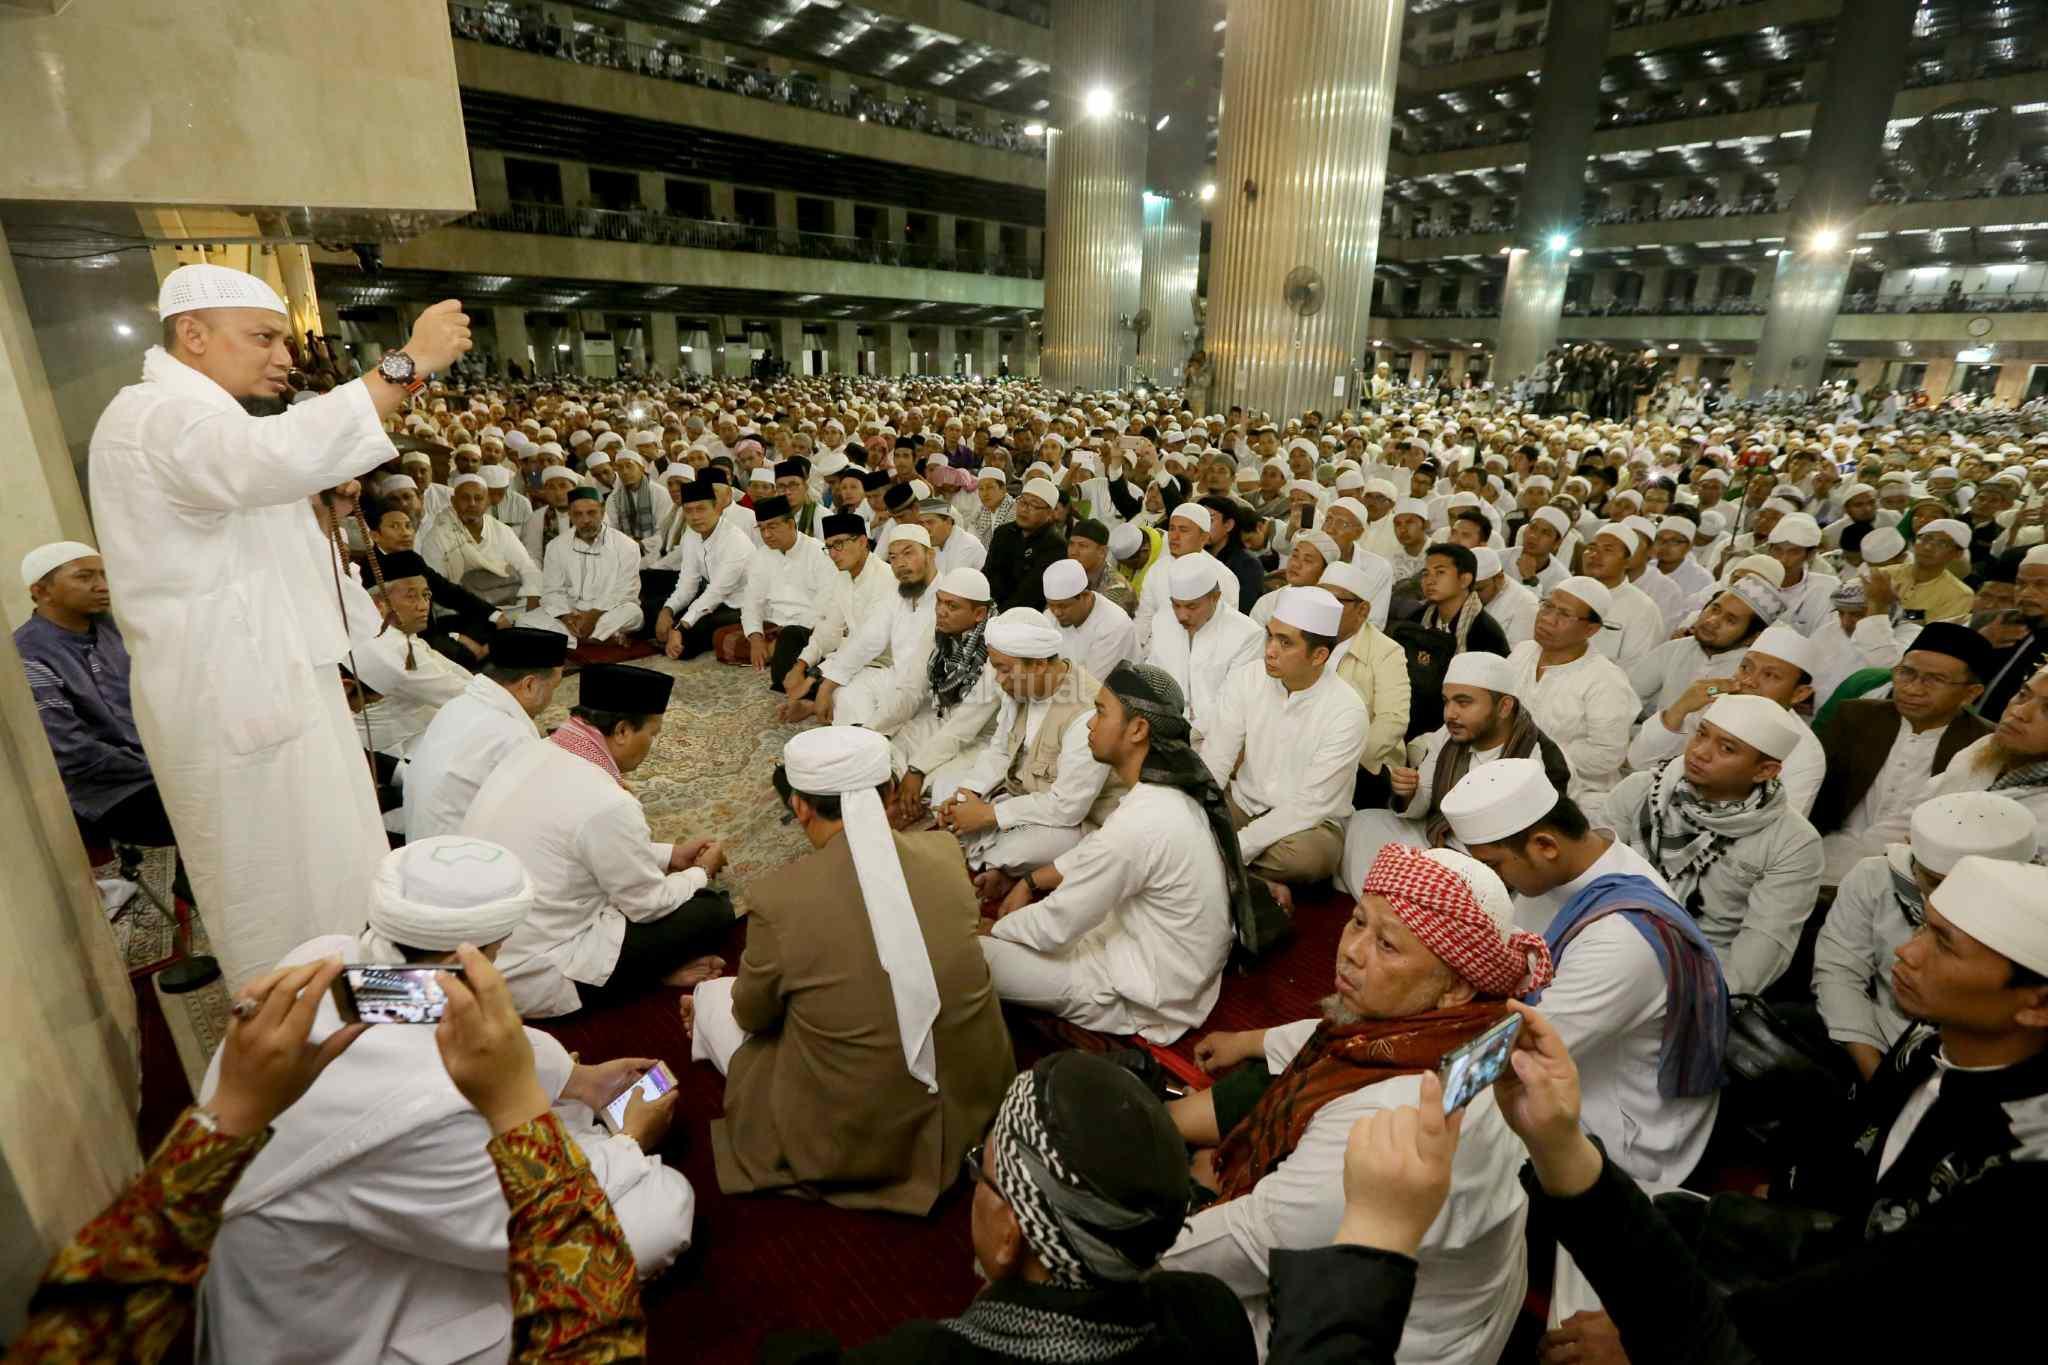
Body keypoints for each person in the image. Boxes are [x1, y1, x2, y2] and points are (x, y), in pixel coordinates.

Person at [86, 264, 468, 989]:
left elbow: (250, 522)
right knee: (280, 896)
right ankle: (303, 1042)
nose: (283, 357)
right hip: (236, 704)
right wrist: (407, 364)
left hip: (281, 686)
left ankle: (376, 1017)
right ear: (193, 334)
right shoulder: (153, 416)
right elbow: (269, 459)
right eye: (263, 337)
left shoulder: (209, 421)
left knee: (343, 871)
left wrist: (318, 513)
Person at [1507, 859, 2048, 1365]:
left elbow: (1862, 1307)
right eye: (1924, 927)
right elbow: (1865, 1147)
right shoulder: (1931, 1040)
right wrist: (1792, 1191)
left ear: (2037, 1005)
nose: (1907, 952)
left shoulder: (2020, 1177)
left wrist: (1646, 1338)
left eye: (1945, 945)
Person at [11, 948, 646, 1363]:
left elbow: (96, 1308)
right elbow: (587, 1332)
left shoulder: (322, 985)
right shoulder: (429, 1108)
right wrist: (545, 1120)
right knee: (661, 1209)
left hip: (275, 1303)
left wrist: (230, 1115)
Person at [196, 839, 692, 1364]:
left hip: (337, 1234)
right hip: (326, 1322)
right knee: (658, 1211)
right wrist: (629, 1141)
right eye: (497, 952)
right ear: (470, 959)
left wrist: (579, 1080)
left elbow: (451, 1016)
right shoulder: (429, 1111)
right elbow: (543, 1222)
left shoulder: (329, 957)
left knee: (561, 1119)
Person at [1159, 844, 1545, 1360]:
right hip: (1440, 1292)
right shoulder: (1471, 1029)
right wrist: (1253, 1041)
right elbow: (1336, 1032)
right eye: (1357, 921)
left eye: (1386, 944)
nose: (1352, 951)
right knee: (1266, 1077)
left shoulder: (1398, 1119)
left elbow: (1246, 1244)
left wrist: (1113, 1265)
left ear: (1455, 987)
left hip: (1373, 1341)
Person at [683, 726, 1015, 1212]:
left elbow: (752, 1017)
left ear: (799, 807)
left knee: (715, 998)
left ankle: (698, 1016)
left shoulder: (779, 899)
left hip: (863, 1135)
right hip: (976, 1102)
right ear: (888, 794)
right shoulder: (945, 854)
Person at [767, 1052, 1256, 1364]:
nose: (976, 1183)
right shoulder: (1209, 1311)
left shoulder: (927, 1354)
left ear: (1009, 1236)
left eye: (981, 1170)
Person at [1442, 759, 1726, 1189]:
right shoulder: (1579, 863)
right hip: (1573, 1050)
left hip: (1622, 1128)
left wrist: (1406, 1077)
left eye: (1495, 866)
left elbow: (1510, 1056)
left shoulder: (1621, 940)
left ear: (1545, 845)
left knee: (1434, 1142)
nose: (1493, 879)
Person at [978, 663, 1241, 1043]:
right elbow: (1099, 853)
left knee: (968, 957)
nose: (1090, 723)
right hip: (1164, 960)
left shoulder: (1141, 821)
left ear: (1138, 729)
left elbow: (1057, 925)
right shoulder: (1166, 794)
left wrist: (996, 929)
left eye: (1101, 712)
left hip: (1144, 992)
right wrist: (1031, 881)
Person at [461, 664, 735, 1016]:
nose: (652, 745)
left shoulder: (534, 750)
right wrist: (700, 872)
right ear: (622, 731)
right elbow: (647, 905)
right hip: (537, 970)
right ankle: (647, 977)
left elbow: (579, 842)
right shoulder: (608, 802)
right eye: (652, 733)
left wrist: (669, 856)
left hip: (481, 947)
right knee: (713, 909)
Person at [1607, 694, 1825, 995]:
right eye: (1701, 734)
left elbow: (1757, 959)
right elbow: (1587, 876)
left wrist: (1691, 1000)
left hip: (1697, 978)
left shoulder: (1793, 842)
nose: (1700, 752)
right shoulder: (1642, 790)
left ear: (1764, 771)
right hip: (1605, 942)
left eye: (1726, 748)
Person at [1814, 791, 2037, 1079]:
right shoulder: (1873, 877)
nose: (1906, 953)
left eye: (1965, 887)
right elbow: (1838, 972)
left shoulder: (2033, 920)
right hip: (1877, 1040)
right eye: (1935, 882)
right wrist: (1876, 1076)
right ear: (1911, 847)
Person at [1341, 650, 1572, 892]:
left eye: (1463, 702)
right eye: (1446, 701)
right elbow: (1425, 800)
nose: (1450, 714)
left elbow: (1536, 846)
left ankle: (1400, 897)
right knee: (1364, 823)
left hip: (1492, 862)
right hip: (1439, 837)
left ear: (1504, 707)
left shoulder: (1540, 759)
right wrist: (1409, 794)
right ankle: (1388, 897)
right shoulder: (1450, 735)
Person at [1202, 587, 1369, 895]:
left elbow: (1309, 804)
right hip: (1242, 802)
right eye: (1270, 636)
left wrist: (1238, 844)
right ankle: (1252, 879)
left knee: (1310, 860)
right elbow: (1217, 759)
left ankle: (1213, 861)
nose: (1270, 650)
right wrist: (1196, 812)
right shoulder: (1247, 678)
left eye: (1285, 642)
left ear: (1319, 655)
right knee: (1187, 820)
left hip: (1308, 825)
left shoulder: (1347, 711)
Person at [934, 608, 1118, 884]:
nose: (998, 679)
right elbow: (1000, 750)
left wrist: (989, 815)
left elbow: (1067, 808)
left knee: (1016, 848)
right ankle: (990, 862)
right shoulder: (1019, 687)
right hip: (1022, 794)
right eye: (995, 668)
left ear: (1039, 665)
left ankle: (992, 861)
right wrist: (969, 793)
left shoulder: (1085, 714)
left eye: (1004, 669)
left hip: (1076, 820)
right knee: (946, 787)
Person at [14, 541, 172, 846]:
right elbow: (72, 751)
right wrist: (160, 767)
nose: (102, 586)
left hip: (162, 767)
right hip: (113, 791)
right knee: (216, 811)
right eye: (84, 577)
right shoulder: (28, 655)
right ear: (42, 591)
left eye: (103, 575)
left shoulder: (114, 628)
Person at [1809, 623, 1995, 881]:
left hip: (1911, 877)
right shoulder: (1855, 716)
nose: (1912, 688)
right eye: (1906, 673)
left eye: (1935, 680)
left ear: (1970, 693)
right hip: (1823, 857)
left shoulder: (1984, 745)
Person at [1626, 621, 1828, 817]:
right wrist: (1680, 708)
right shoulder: (1712, 704)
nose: (1749, 681)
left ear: (1800, 694)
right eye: (1745, 667)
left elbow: (1778, 826)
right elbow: (1640, 761)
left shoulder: (1805, 753)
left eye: (1770, 675)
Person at [402, 626, 566, 842]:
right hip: (462, 853)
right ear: (529, 685)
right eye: (554, 687)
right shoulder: (512, 736)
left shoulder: (458, 704)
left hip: (423, 843)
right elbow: (540, 812)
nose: (551, 698)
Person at [1503, 577, 1639, 817]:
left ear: (1591, 629)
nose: (1547, 618)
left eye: (1564, 614)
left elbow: (1607, 755)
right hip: (1511, 772)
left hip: (1577, 793)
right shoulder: (1523, 652)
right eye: (1547, 606)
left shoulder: (1606, 680)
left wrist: (1533, 750)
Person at [347, 549, 473, 760]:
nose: (423, 606)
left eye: (426, 596)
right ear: (378, 604)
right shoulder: (388, 647)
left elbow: (457, 675)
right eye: (411, 596)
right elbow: (460, 694)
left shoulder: (403, 637)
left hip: (422, 733)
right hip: (393, 751)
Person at [783, 511, 897, 713]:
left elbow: (868, 643)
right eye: (828, 547)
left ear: (862, 542)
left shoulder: (885, 578)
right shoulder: (843, 578)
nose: (833, 554)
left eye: (839, 544)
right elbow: (829, 629)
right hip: (855, 659)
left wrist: (814, 678)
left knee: (844, 696)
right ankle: (814, 700)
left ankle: (814, 702)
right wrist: (800, 665)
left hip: (886, 665)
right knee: (790, 665)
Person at [1145, 556, 1265, 745]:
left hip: (1219, 739)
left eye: (1191, 606)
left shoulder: (1247, 634)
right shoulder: (1163, 620)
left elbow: (1232, 702)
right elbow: (1153, 677)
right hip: (1163, 732)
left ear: (1215, 598)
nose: (1182, 615)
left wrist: (1186, 734)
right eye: (1176, 605)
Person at [1320, 561, 1413, 787]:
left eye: (1335, 600)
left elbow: (1392, 719)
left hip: (1363, 765)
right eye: (1320, 598)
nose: (1324, 607)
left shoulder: (1387, 651)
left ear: (1362, 610)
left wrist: (1343, 762)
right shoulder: (1307, 638)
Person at [1626, 578, 1778, 716]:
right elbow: (1629, 697)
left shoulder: (1751, 677)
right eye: (1714, 609)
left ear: (1752, 638)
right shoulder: (1674, 649)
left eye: (1730, 620)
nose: (1712, 621)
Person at [739, 493, 838, 688]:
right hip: (774, 624)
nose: (766, 535)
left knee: (784, 661)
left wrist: (780, 641)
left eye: (772, 527)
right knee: (721, 638)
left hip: (808, 628)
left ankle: (798, 669)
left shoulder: (819, 553)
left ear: (791, 524)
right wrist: (756, 638)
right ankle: (777, 654)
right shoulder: (761, 556)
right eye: (762, 528)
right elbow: (751, 602)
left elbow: (824, 608)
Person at [528, 487, 644, 645]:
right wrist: (566, 616)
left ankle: (570, 640)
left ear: (602, 511)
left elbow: (626, 590)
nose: (585, 520)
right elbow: (552, 590)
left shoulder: (626, 545)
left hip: (607, 611)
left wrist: (593, 615)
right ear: (570, 515)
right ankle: (601, 638)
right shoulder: (556, 546)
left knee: (633, 613)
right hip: (572, 611)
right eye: (578, 514)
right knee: (526, 620)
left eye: (591, 513)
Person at [655, 477, 752, 659]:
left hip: (742, 605)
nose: (695, 516)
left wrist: (680, 627)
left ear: (717, 508)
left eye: (701, 509)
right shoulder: (692, 534)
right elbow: (687, 584)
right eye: (688, 510)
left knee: (687, 637)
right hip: (714, 601)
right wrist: (667, 611)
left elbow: (716, 592)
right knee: (658, 613)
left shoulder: (735, 540)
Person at [419, 473, 543, 612]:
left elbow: (526, 567)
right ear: (453, 501)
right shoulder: (437, 537)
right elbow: (438, 586)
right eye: (465, 498)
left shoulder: (501, 531)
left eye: (478, 498)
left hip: (509, 607)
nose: (472, 503)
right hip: (460, 611)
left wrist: (533, 599)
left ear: (487, 501)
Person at [1579, 526, 1664, 670]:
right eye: (1591, 548)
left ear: (1628, 561)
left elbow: (1636, 668)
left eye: (1607, 550)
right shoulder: (1565, 591)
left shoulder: (1642, 609)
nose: (1594, 555)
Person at [1042, 556, 1136, 681]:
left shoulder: (1114, 625)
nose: (1057, 613)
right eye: (1051, 605)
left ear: (1085, 596)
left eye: (1063, 606)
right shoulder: (1049, 616)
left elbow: (1091, 685)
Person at [1870, 515, 1975, 623]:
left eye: (1942, 544)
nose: (1928, 547)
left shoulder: (1959, 595)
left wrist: (1886, 607)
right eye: (1925, 539)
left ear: (1958, 554)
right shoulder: (1883, 575)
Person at [983, 476, 1067, 610]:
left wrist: (999, 615)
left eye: (1033, 505)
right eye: (1022, 502)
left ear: (1049, 513)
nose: (1024, 509)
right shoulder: (1003, 533)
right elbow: (988, 574)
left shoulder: (1055, 545)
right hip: (990, 608)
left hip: (1026, 614)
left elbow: (1031, 593)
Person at [1416, 543, 1510, 658]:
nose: (1429, 581)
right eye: (1426, 574)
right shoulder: (1417, 619)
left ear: (1464, 580)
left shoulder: (1485, 634)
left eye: (1440, 572)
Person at [604, 449, 673, 557]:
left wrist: (641, 544)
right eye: (620, 468)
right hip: (625, 552)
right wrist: (627, 545)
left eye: (629, 466)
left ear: (641, 468)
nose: (625, 472)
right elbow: (611, 530)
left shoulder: (660, 493)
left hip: (656, 552)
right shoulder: (613, 498)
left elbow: (664, 531)